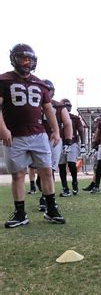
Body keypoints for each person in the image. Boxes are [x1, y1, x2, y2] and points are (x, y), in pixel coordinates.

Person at [0, 43, 66, 227]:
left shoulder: (40, 83)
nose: (26, 63)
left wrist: (56, 130)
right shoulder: (4, 80)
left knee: (46, 171)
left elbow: (48, 109)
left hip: (38, 135)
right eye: (23, 58)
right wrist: (3, 129)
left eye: (29, 59)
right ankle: (20, 214)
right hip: (14, 136)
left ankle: (51, 209)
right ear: (14, 59)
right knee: (18, 175)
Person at [37, 80, 73, 211]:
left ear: (52, 92)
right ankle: (44, 194)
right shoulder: (34, 104)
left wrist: (68, 141)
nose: (45, 92)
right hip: (36, 139)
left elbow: (68, 123)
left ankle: (45, 198)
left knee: (49, 169)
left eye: (48, 90)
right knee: (40, 172)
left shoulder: (59, 106)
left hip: (54, 139)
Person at [58, 98, 86, 196]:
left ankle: (75, 183)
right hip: (59, 142)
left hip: (72, 142)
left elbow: (81, 131)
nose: (67, 107)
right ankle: (65, 188)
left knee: (71, 164)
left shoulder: (75, 118)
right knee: (61, 166)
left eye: (69, 106)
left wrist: (83, 145)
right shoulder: (56, 117)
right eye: (65, 105)